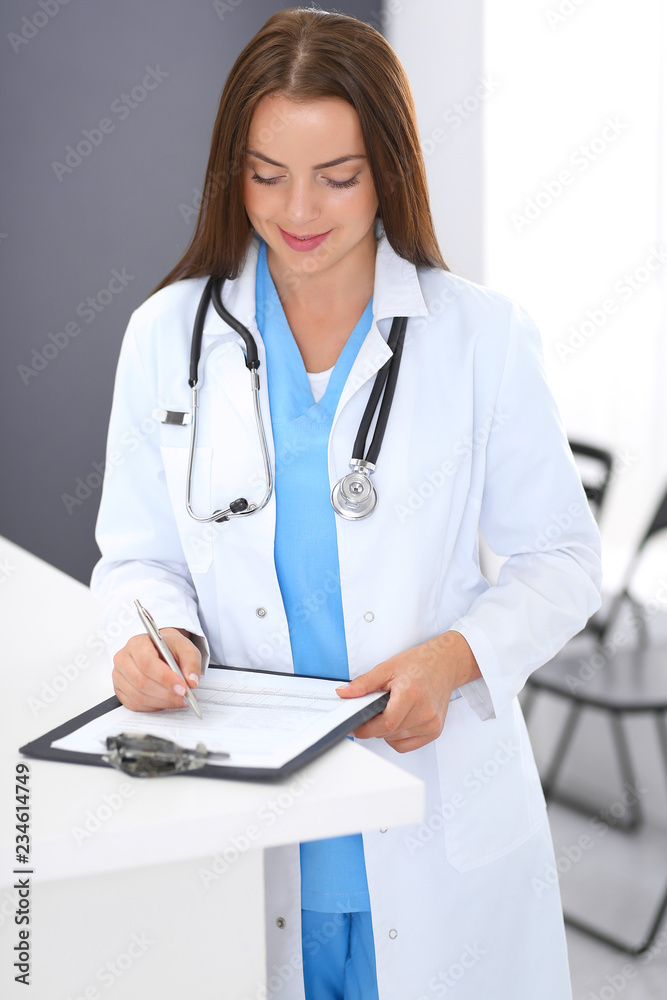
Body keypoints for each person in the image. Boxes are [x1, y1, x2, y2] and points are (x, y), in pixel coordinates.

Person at [90, 7, 602, 999]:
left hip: (435, 819)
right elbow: (137, 558)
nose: (298, 211)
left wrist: (451, 659)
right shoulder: (167, 335)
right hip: (247, 838)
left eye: (338, 175)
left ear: (391, 170)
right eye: (266, 174)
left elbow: (559, 559)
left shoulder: (480, 337)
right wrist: (156, 638)